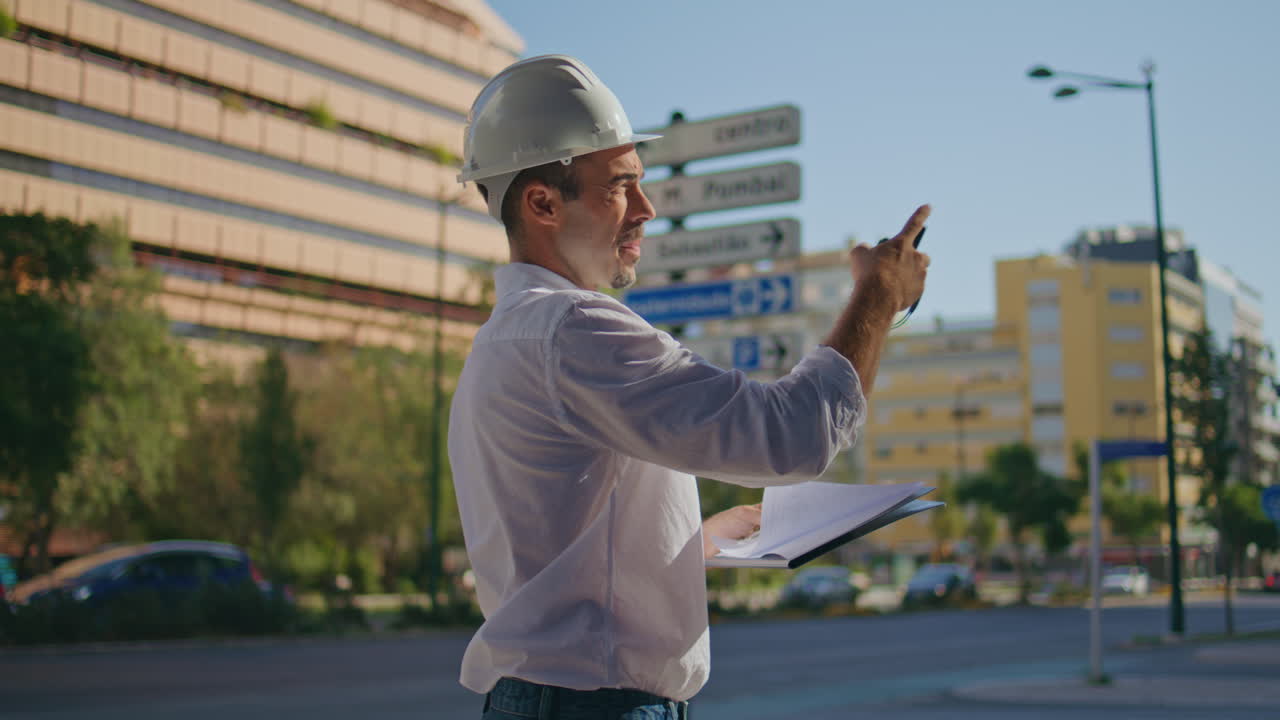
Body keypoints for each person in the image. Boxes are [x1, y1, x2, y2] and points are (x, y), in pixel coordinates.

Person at [449, 54, 929, 720]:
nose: (646, 208)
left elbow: (560, 553)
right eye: (621, 185)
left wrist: (697, 539)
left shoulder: (506, 342)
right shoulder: (574, 330)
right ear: (541, 203)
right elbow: (793, 434)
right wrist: (877, 293)